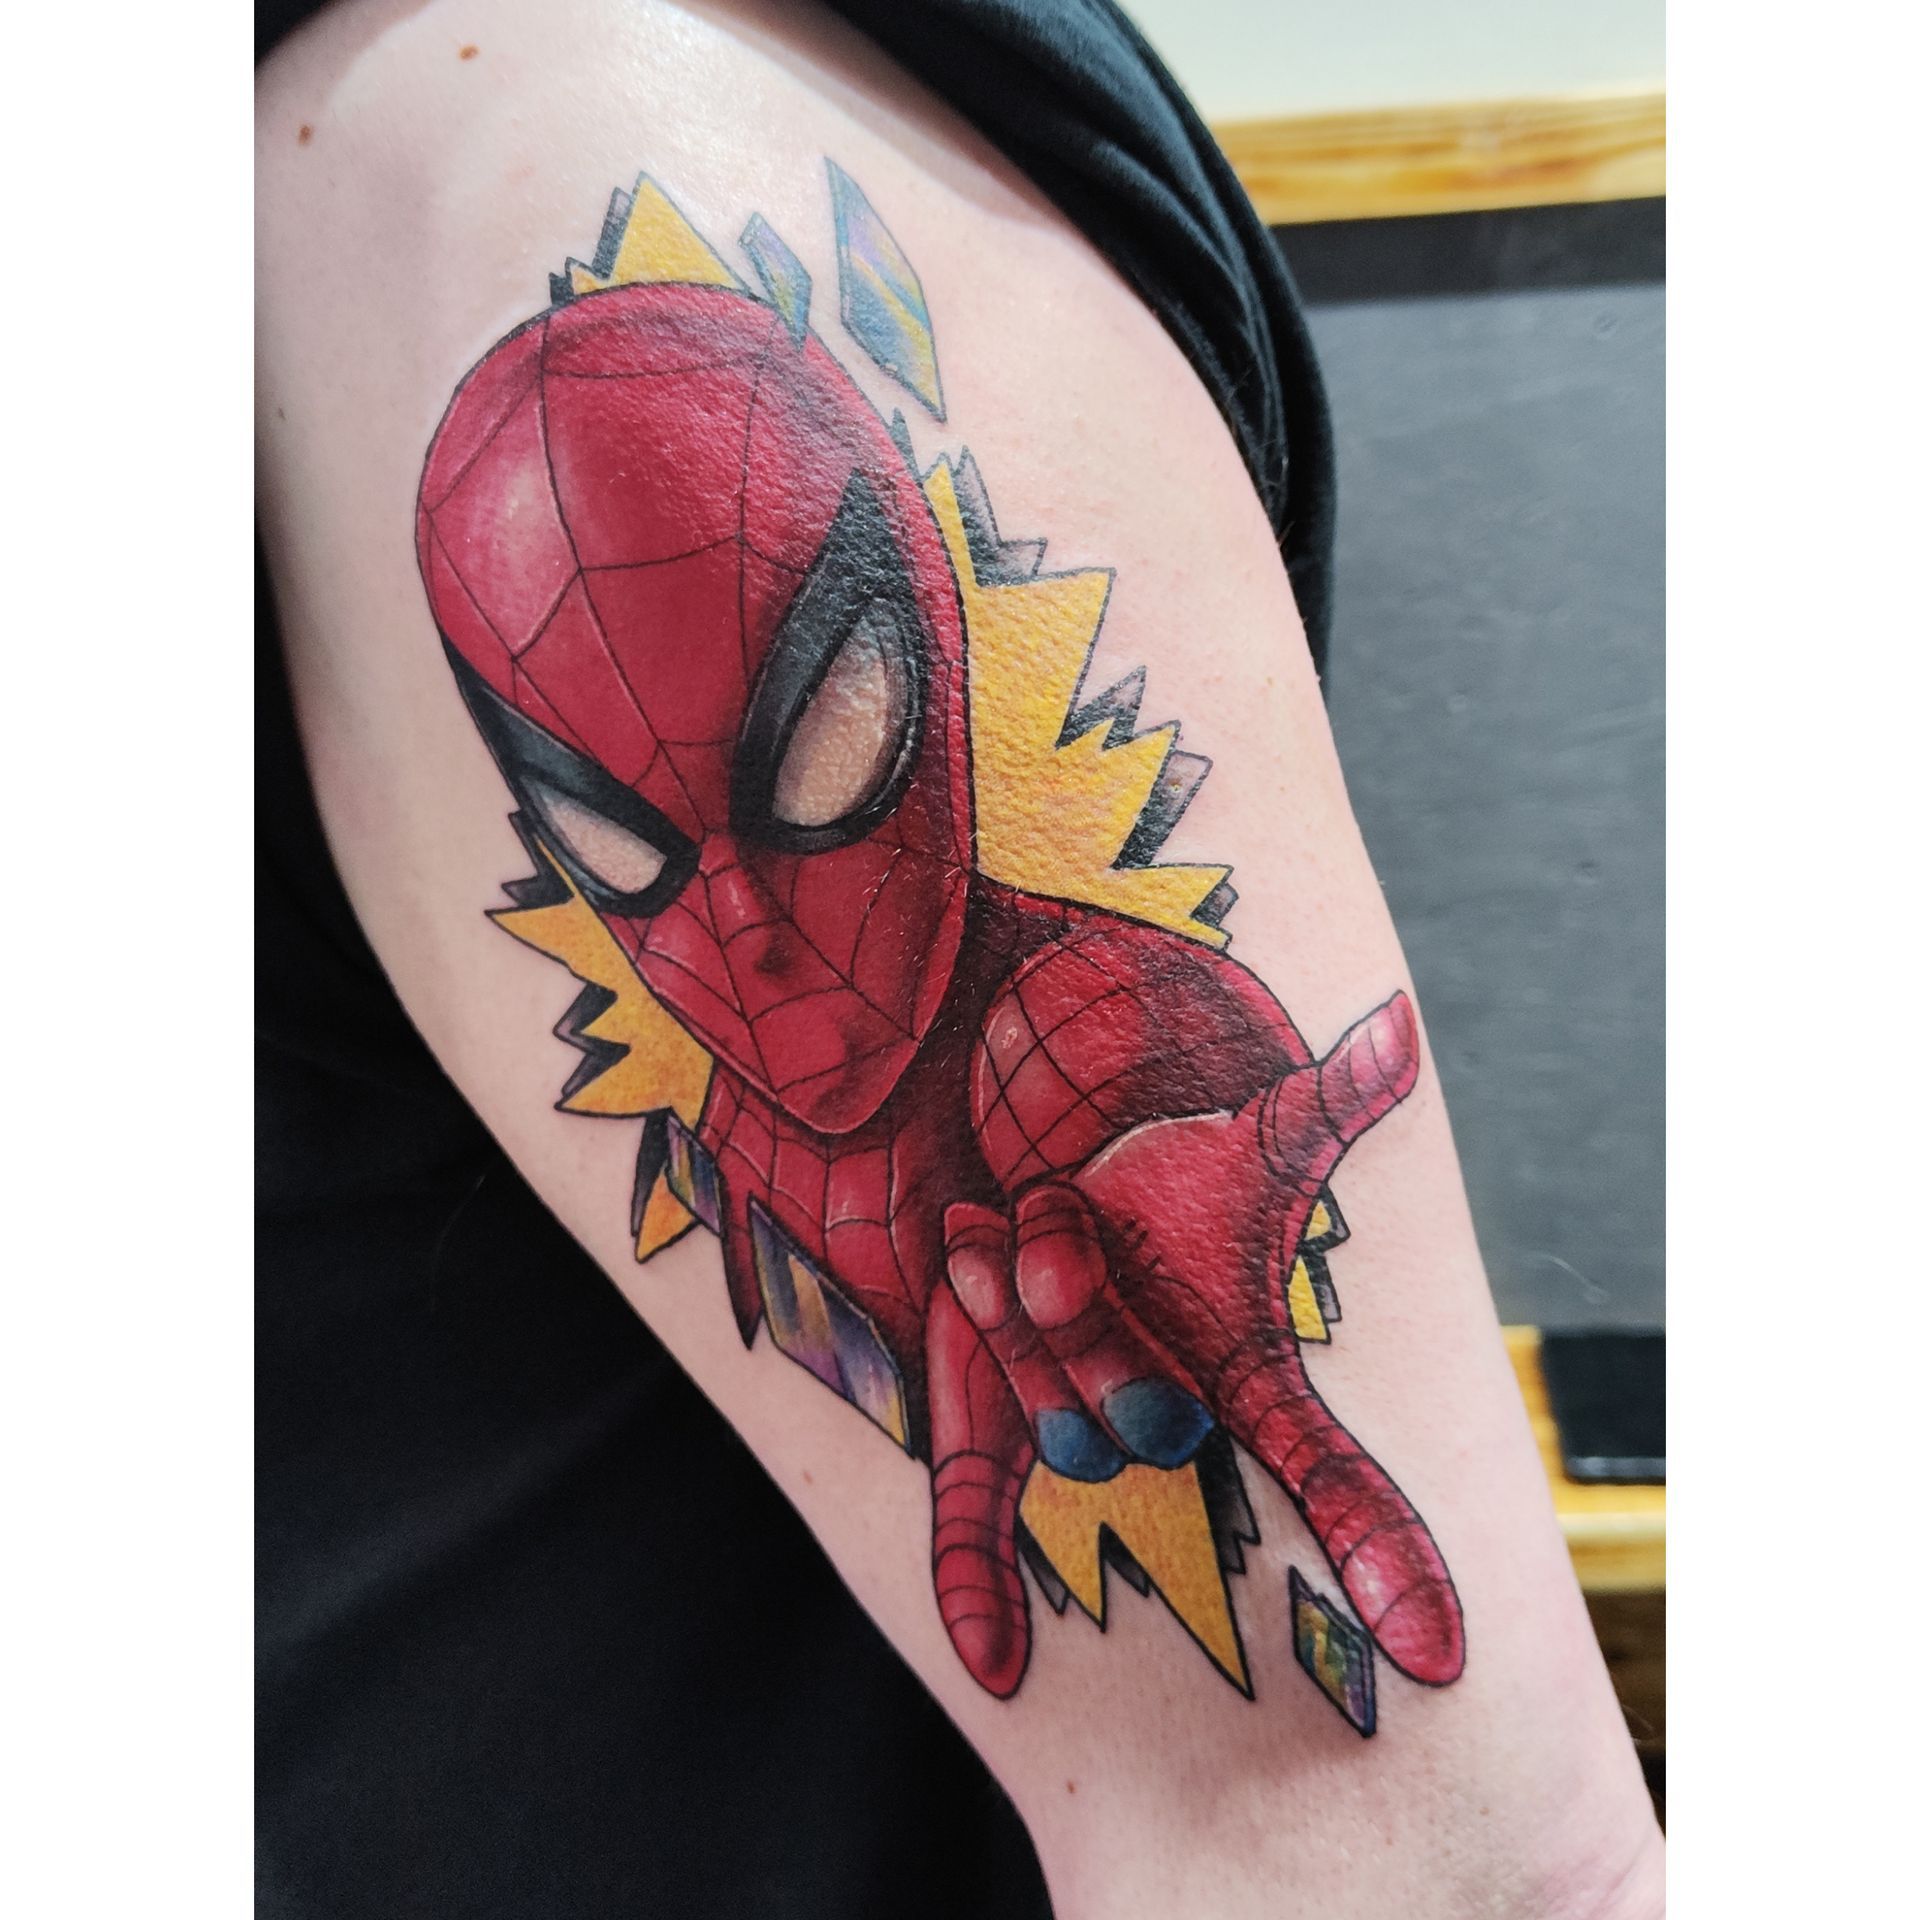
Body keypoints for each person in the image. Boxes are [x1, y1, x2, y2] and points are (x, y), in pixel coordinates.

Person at [256, 2, 1665, 1913]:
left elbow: (1439, 1875)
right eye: (620, 851)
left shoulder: (515, 139)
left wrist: (1155, 1101)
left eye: (817, 756)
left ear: (924, 617)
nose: (755, 952)